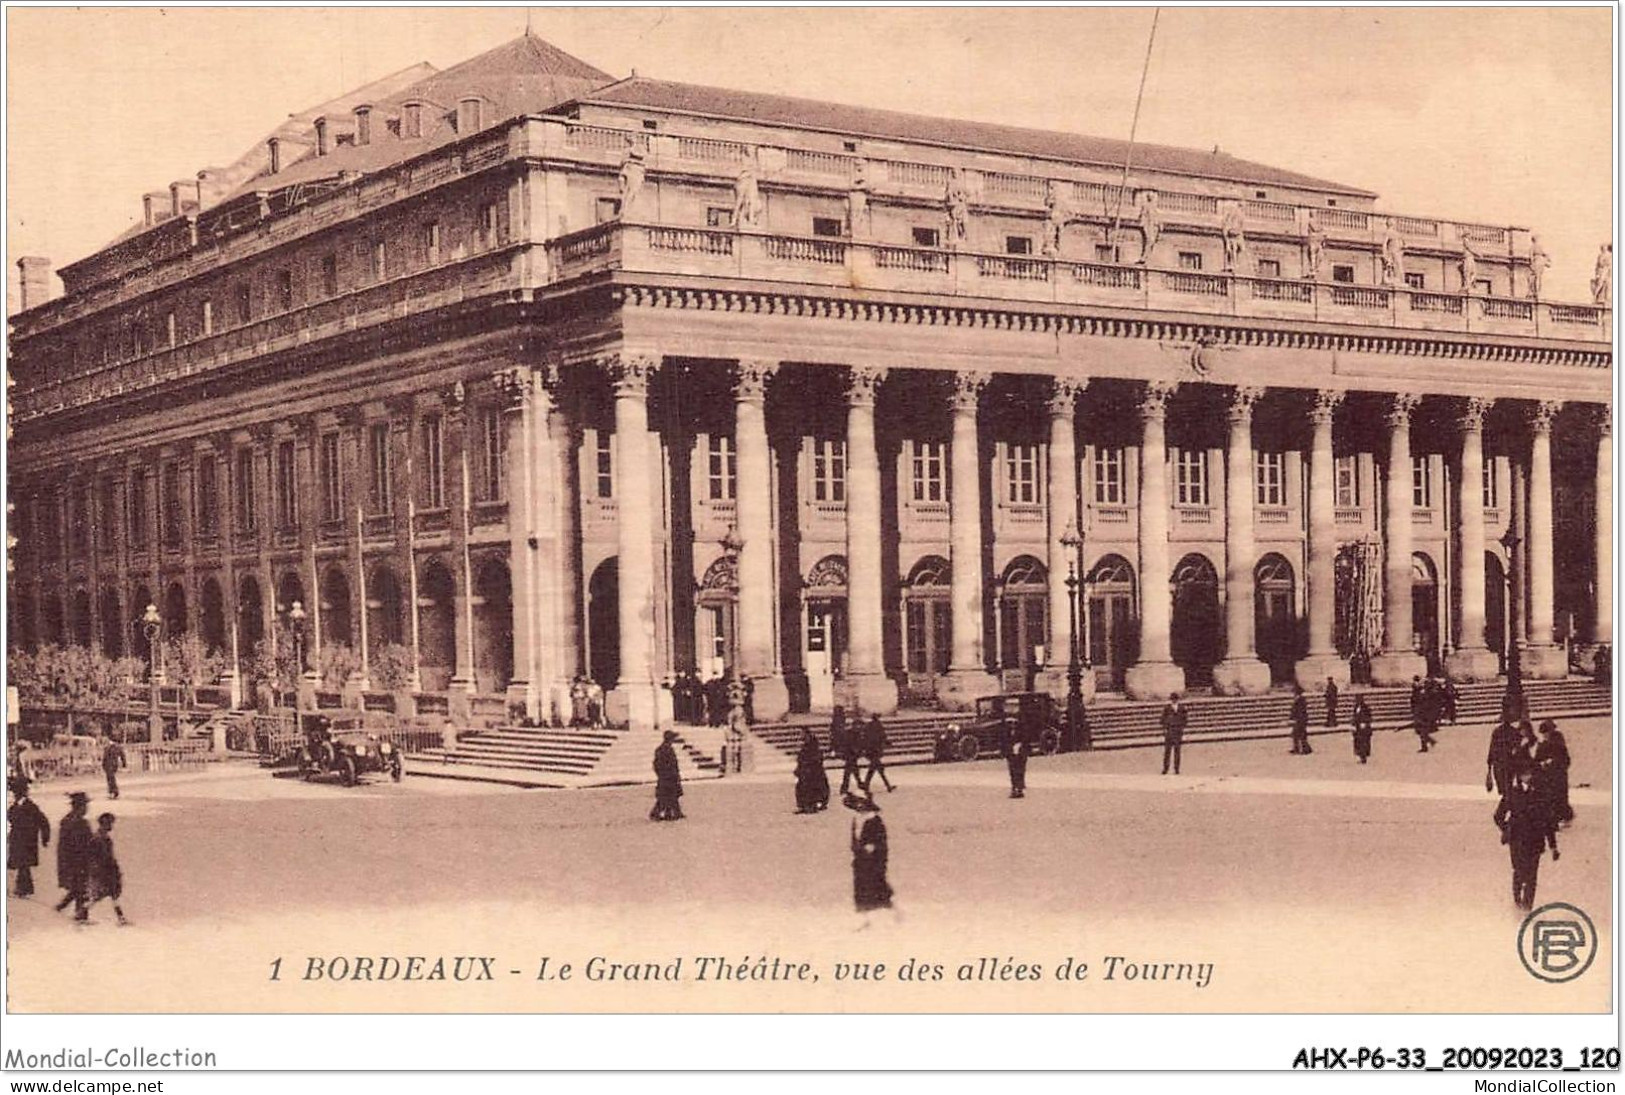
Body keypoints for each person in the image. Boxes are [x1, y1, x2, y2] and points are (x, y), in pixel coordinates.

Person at [1495, 767, 1558, 912]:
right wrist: (1507, 829)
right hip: (1517, 840)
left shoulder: (1541, 794)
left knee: (1532, 876)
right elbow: (1498, 816)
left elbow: (1547, 822)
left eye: (1529, 774)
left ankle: (1527, 906)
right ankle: (1517, 901)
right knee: (1518, 871)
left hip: (1535, 840)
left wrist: (1553, 845)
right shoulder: (1511, 793)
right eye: (1524, 774)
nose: (1527, 777)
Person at [54, 791, 94, 922]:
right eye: (85, 806)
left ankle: (63, 907)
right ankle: (81, 916)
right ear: (79, 807)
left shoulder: (68, 821)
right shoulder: (78, 823)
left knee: (78, 888)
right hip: (78, 861)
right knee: (82, 889)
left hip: (72, 862)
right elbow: (84, 844)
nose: (87, 808)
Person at [7, 778, 50, 898]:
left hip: (26, 841)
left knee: (23, 864)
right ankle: (23, 888)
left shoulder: (30, 807)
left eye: (15, 792)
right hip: (19, 840)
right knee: (22, 865)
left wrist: (45, 838)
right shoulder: (15, 806)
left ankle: (23, 889)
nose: (14, 795)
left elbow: (43, 822)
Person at [85, 812, 129, 926]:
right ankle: (121, 918)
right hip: (104, 870)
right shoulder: (98, 838)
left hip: (107, 869)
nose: (111, 826)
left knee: (108, 894)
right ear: (104, 824)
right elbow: (96, 856)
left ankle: (121, 917)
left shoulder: (102, 837)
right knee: (105, 894)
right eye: (109, 823)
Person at [850, 811, 893, 918]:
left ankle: (878, 903)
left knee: (873, 875)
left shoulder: (874, 820)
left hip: (873, 858)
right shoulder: (858, 819)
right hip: (861, 858)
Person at [1534, 719, 1573, 828]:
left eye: (1545, 733)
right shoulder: (1544, 744)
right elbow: (1537, 760)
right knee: (1554, 797)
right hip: (1550, 776)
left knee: (1558, 796)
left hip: (1557, 775)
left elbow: (1564, 760)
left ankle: (1562, 816)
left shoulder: (1557, 744)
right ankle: (1559, 817)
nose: (1544, 735)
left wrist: (1550, 763)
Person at [1001, 707, 1034, 799]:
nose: (1012, 724)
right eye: (1010, 722)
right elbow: (1004, 741)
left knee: (1020, 770)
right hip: (1011, 752)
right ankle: (1015, 787)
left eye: (1014, 722)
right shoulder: (1007, 730)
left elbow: (1026, 739)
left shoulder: (1023, 728)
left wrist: (1020, 745)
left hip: (1021, 751)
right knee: (1012, 770)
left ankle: (1019, 788)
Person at [650, 731, 683, 822]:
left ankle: (674, 813)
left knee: (671, 795)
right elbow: (662, 764)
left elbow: (656, 764)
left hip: (666, 776)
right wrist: (669, 774)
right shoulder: (666, 750)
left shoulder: (661, 749)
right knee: (666, 796)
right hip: (668, 776)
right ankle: (656, 813)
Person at [793, 730, 830, 814]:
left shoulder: (813, 748)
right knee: (802, 788)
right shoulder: (805, 747)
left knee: (812, 788)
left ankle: (812, 804)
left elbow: (816, 760)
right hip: (806, 772)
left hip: (813, 772)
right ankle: (804, 805)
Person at [1486, 717, 1521, 796]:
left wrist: (1489, 764)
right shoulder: (1514, 732)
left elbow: (1492, 748)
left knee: (1503, 788)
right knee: (1508, 785)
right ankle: (1507, 802)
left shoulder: (1497, 732)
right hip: (1509, 763)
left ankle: (1506, 804)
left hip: (1499, 764)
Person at [830, 707, 861, 796]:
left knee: (851, 770)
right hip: (849, 750)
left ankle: (852, 786)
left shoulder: (836, 722)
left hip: (848, 751)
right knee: (851, 770)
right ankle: (856, 785)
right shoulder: (839, 723)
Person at [860, 715, 894, 794]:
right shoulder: (879, 726)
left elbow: (864, 738)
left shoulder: (868, 726)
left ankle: (886, 785)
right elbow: (883, 737)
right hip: (875, 750)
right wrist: (888, 743)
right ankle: (886, 786)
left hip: (870, 751)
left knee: (877, 769)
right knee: (876, 769)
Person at [1160, 692, 1187, 775]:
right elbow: (1162, 719)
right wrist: (1165, 728)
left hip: (1178, 732)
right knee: (1167, 751)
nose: (1174, 700)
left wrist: (1181, 729)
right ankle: (1166, 768)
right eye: (1173, 699)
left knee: (1177, 751)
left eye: (1175, 699)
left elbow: (1185, 719)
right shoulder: (1167, 708)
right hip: (1169, 731)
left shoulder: (1182, 708)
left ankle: (1176, 768)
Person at [101, 734, 128, 800]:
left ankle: (114, 792)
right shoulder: (108, 747)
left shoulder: (115, 747)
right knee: (109, 778)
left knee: (111, 778)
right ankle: (112, 792)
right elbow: (105, 757)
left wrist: (124, 763)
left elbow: (122, 755)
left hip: (112, 764)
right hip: (108, 765)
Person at [1289, 685, 1312, 755]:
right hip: (1299, 720)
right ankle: (1298, 748)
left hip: (1301, 720)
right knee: (1296, 735)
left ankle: (1305, 749)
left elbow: (1300, 711)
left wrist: (1297, 719)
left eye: (1295, 693)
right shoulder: (1298, 700)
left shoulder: (1301, 700)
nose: (1294, 694)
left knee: (1300, 735)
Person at [1350, 697, 1374, 764]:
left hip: (1364, 729)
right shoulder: (1356, 708)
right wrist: (1353, 725)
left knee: (1364, 744)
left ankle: (1363, 757)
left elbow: (1368, 717)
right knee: (1358, 743)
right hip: (1358, 729)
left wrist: (1365, 723)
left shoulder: (1365, 708)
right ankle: (1360, 756)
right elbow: (1354, 717)